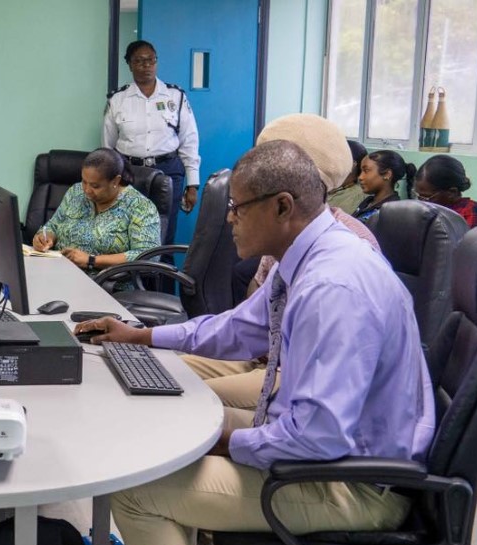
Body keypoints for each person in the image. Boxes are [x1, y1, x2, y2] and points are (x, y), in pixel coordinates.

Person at [76, 141, 434, 544]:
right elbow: (237, 329)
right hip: (328, 449)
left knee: (133, 490)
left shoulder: (331, 288)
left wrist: (216, 442)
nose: (229, 219)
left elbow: (318, 436)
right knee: (166, 423)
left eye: (237, 207)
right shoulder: (308, 257)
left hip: (352, 482)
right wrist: (142, 336)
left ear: (282, 206)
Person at [190, 113, 382, 410]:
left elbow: (324, 388)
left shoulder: (349, 249)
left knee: (189, 400)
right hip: (260, 357)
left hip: (294, 376)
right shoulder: (287, 232)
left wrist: (232, 440)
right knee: (168, 371)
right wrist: (146, 337)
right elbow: (250, 312)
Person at [103, 39, 201, 244]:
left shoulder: (175, 96)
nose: (146, 66)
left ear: (156, 62)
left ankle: (163, 276)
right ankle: (133, 276)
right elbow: (108, 147)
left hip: (168, 172)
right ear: (129, 64)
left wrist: (193, 184)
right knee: (129, 233)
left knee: (164, 236)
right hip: (130, 173)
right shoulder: (118, 100)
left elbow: (189, 141)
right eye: (139, 61)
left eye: (150, 60)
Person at [30, 148, 160, 272]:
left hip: (104, 282)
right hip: (58, 271)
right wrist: (44, 238)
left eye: (95, 186)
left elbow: (148, 257)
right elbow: (53, 225)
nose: (86, 190)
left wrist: (92, 260)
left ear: (116, 180)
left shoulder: (140, 206)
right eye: (84, 182)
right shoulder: (76, 192)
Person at [414, 154, 477, 228]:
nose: (422, 203)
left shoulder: (471, 212)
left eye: (427, 198)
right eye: (419, 196)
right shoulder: (428, 210)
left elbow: (466, 239)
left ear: (452, 192)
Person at [352, 150, 414, 223]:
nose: (360, 177)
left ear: (387, 174)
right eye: (361, 171)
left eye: (366, 170)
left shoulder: (391, 211)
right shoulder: (368, 201)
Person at [326, 140, 368, 214]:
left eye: (337, 157)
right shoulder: (330, 185)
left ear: (351, 164)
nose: (331, 160)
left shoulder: (356, 196)